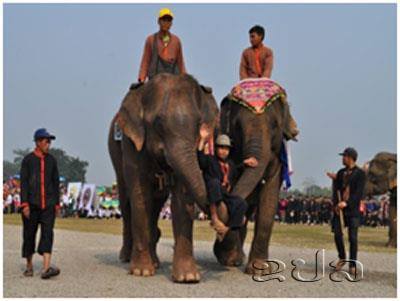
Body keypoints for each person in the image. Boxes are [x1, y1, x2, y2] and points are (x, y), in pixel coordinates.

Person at [197, 134, 258, 241]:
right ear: (216, 148)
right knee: (214, 182)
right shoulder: (210, 160)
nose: (223, 151)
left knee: (241, 203)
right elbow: (200, 159)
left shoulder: (230, 164)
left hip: (225, 193)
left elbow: (237, 170)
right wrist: (202, 140)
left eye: (226, 149)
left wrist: (245, 163)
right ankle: (214, 217)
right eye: (221, 148)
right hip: (213, 191)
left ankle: (227, 229)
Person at [19, 128, 61, 279]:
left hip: (48, 205)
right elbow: (23, 183)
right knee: (29, 235)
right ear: (38, 142)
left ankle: (46, 268)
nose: (48, 144)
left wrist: (57, 204)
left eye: (49, 141)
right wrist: (24, 204)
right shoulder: (28, 160)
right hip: (32, 204)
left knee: (48, 234)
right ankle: (29, 267)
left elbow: (55, 184)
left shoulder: (52, 161)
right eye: (46, 141)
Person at [327, 147, 366, 276]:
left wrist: (347, 203)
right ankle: (342, 257)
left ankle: (352, 264)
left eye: (344, 156)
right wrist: (336, 205)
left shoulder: (360, 174)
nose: (342, 159)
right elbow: (337, 190)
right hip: (340, 209)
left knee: (353, 238)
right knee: (337, 234)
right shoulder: (341, 172)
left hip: (352, 210)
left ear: (350, 158)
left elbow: (358, 193)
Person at [138, 8, 186, 83]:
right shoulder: (151, 40)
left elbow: (181, 62)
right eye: (164, 20)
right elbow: (145, 61)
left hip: (173, 80)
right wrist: (141, 78)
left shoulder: (176, 41)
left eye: (168, 20)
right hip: (155, 80)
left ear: (171, 23)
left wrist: (185, 78)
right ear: (158, 22)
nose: (166, 23)